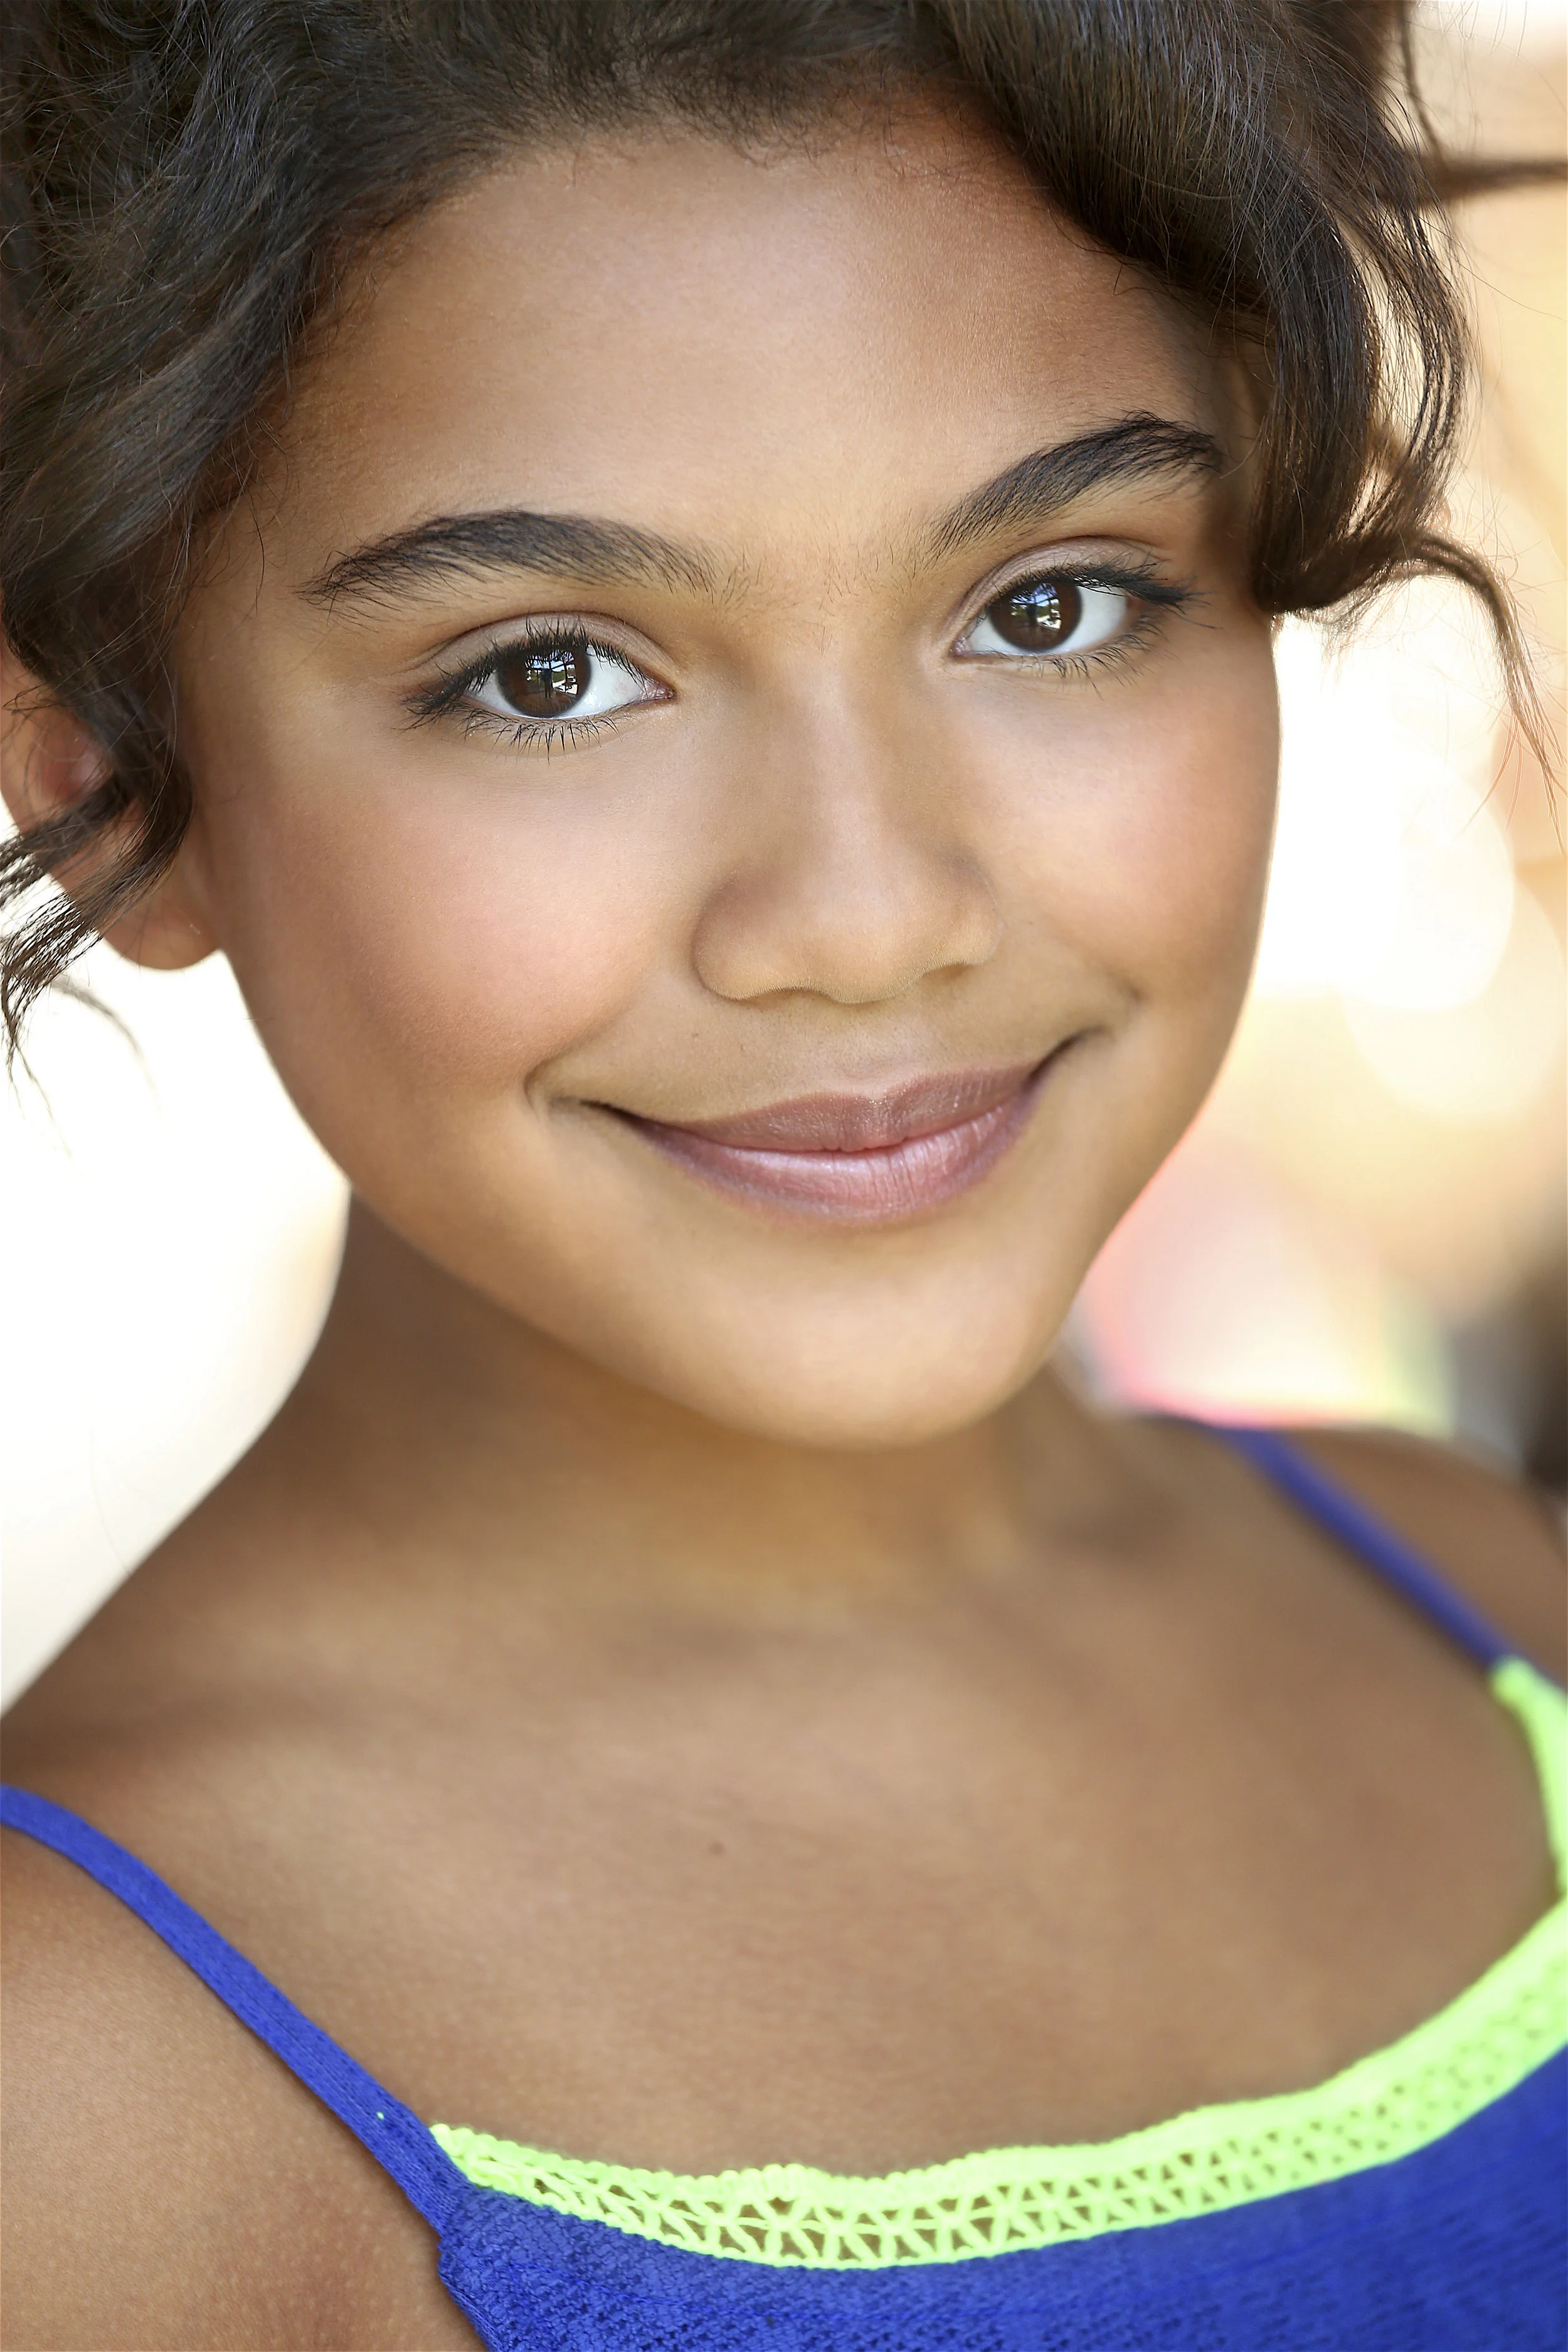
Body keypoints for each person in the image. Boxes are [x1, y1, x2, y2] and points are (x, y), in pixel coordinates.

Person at [1, 6, 1562, 2346]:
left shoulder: (1479, 1608)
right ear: (108, 774)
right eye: (549, 675)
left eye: (1051, 602)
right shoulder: (82, 2101)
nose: (862, 913)